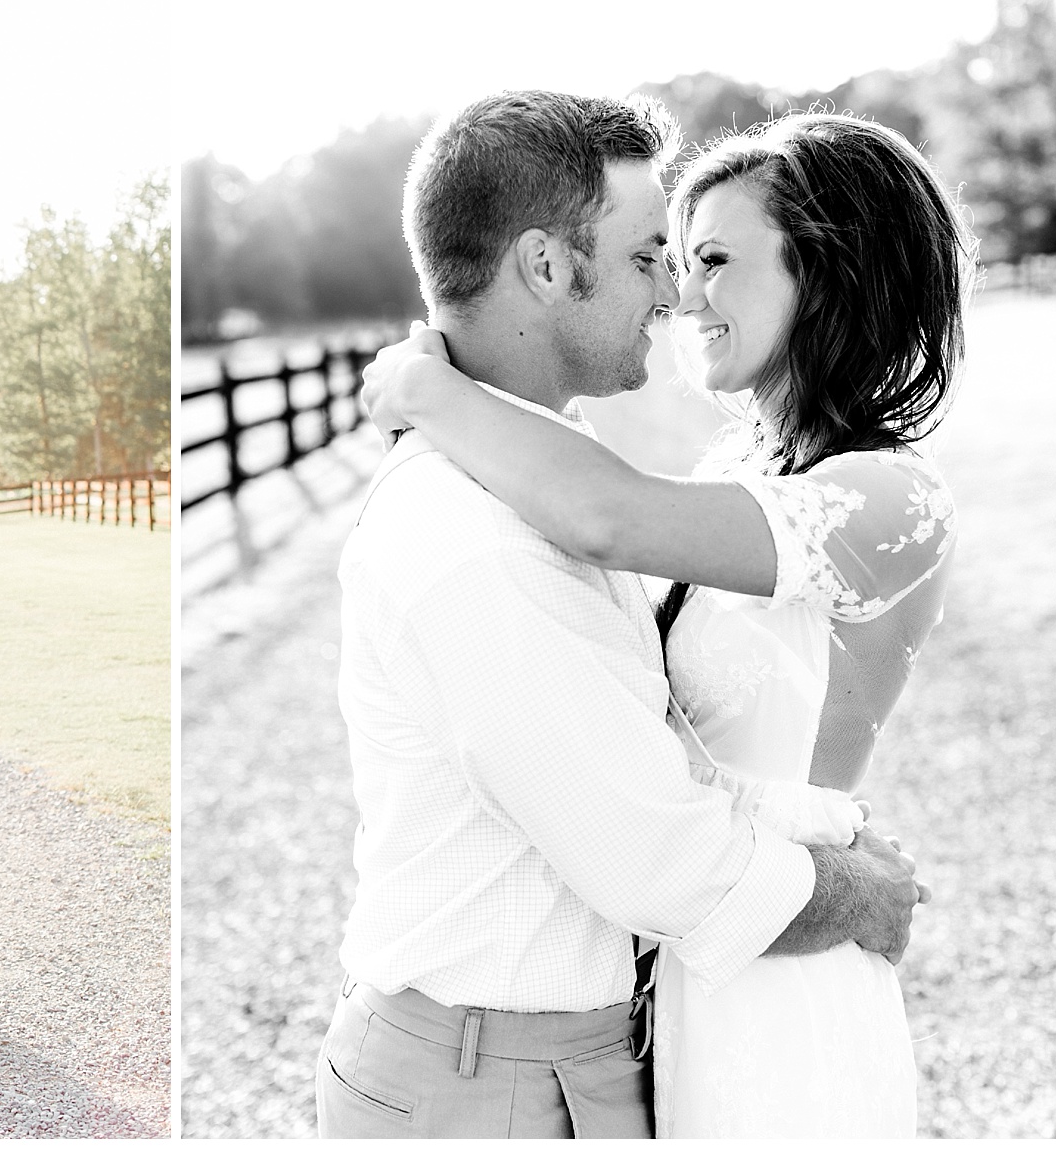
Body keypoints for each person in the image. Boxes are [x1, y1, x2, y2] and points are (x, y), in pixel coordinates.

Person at [316, 92, 933, 1139]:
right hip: (506, 1074)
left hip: (671, 1009)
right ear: (548, 267)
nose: (675, 292)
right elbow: (654, 850)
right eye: (654, 254)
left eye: (701, 259)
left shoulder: (566, 487)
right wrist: (853, 890)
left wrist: (429, 391)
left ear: (823, 280)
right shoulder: (480, 531)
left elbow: (615, 538)